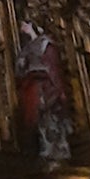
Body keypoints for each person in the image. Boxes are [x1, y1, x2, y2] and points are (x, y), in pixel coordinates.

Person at [16, 21, 73, 164]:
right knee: (42, 121)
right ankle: (47, 150)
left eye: (25, 25)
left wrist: (55, 87)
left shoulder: (45, 44)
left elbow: (52, 66)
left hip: (47, 87)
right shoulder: (27, 48)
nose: (23, 28)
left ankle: (57, 152)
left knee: (52, 120)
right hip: (35, 88)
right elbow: (20, 68)